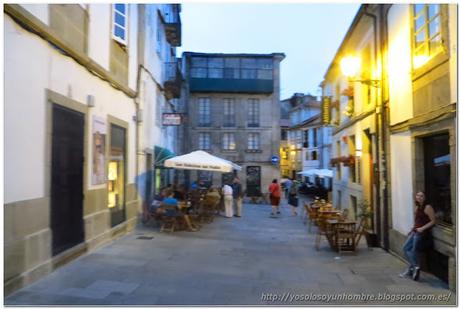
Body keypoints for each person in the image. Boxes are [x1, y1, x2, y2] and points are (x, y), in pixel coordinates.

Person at [399, 191, 436, 281]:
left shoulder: (428, 207)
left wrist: (422, 228)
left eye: (421, 196)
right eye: (418, 195)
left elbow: (433, 221)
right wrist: (412, 229)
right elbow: (417, 221)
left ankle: (411, 269)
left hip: (422, 233)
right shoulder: (417, 207)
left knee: (414, 250)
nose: (419, 197)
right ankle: (415, 266)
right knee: (405, 248)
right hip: (415, 231)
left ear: (425, 198)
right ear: (416, 197)